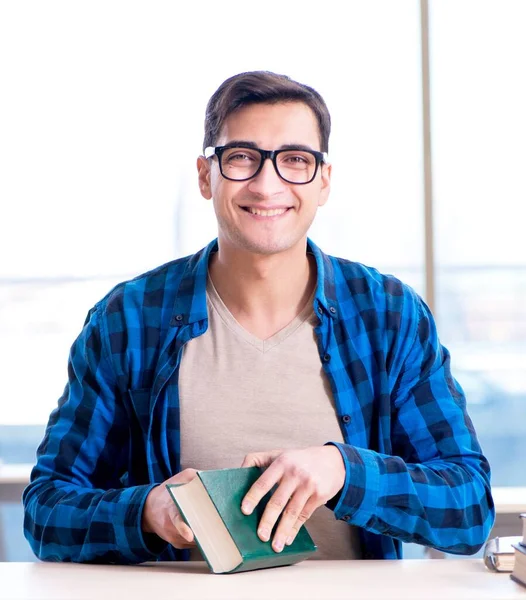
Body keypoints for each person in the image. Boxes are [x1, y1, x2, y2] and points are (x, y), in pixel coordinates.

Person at [23, 71, 495, 563]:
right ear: (207, 176)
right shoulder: (128, 318)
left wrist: (344, 471)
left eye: (295, 160)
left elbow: (467, 509)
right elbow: (46, 511)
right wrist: (146, 510)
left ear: (323, 182)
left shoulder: (390, 316)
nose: (267, 184)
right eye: (243, 158)